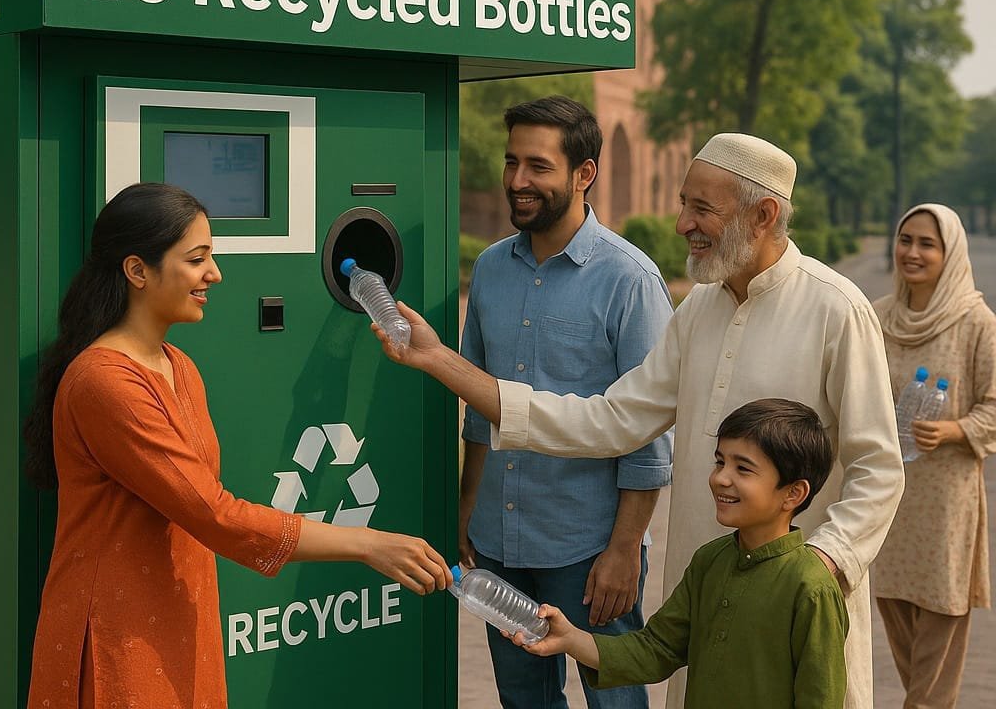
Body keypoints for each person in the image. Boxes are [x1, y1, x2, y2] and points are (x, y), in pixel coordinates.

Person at [373, 132, 905, 709]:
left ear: (764, 214)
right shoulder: (699, 309)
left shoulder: (836, 309)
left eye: (701, 208)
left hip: (800, 605)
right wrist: (441, 361)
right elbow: (612, 420)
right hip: (704, 583)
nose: (681, 224)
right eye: (683, 204)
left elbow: (879, 469)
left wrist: (821, 563)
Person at [22, 182, 450, 709]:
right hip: (119, 631)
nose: (215, 274)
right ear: (137, 271)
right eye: (197, 259)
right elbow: (213, 512)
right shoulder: (105, 383)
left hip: (180, 614)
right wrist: (368, 544)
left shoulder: (178, 368)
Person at [460, 96, 674, 709]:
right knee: (524, 700)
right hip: (500, 541)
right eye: (511, 163)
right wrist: (468, 507)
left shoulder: (631, 282)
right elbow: (481, 402)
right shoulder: (493, 269)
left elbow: (649, 435)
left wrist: (625, 548)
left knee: (616, 699)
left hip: (588, 546)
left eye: (538, 166)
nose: (518, 182)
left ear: (585, 174)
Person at [510, 400, 849, 709]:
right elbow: (656, 649)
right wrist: (571, 639)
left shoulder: (811, 586)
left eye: (743, 469)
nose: (721, 478)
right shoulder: (710, 561)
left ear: (793, 493)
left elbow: (821, 699)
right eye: (720, 462)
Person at [872, 204, 996, 708]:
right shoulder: (877, 318)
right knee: (904, 641)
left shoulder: (976, 323)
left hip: (945, 507)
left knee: (935, 654)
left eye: (927, 243)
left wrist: (953, 429)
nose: (913, 252)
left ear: (951, 253)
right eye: (906, 240)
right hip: (889, 505)